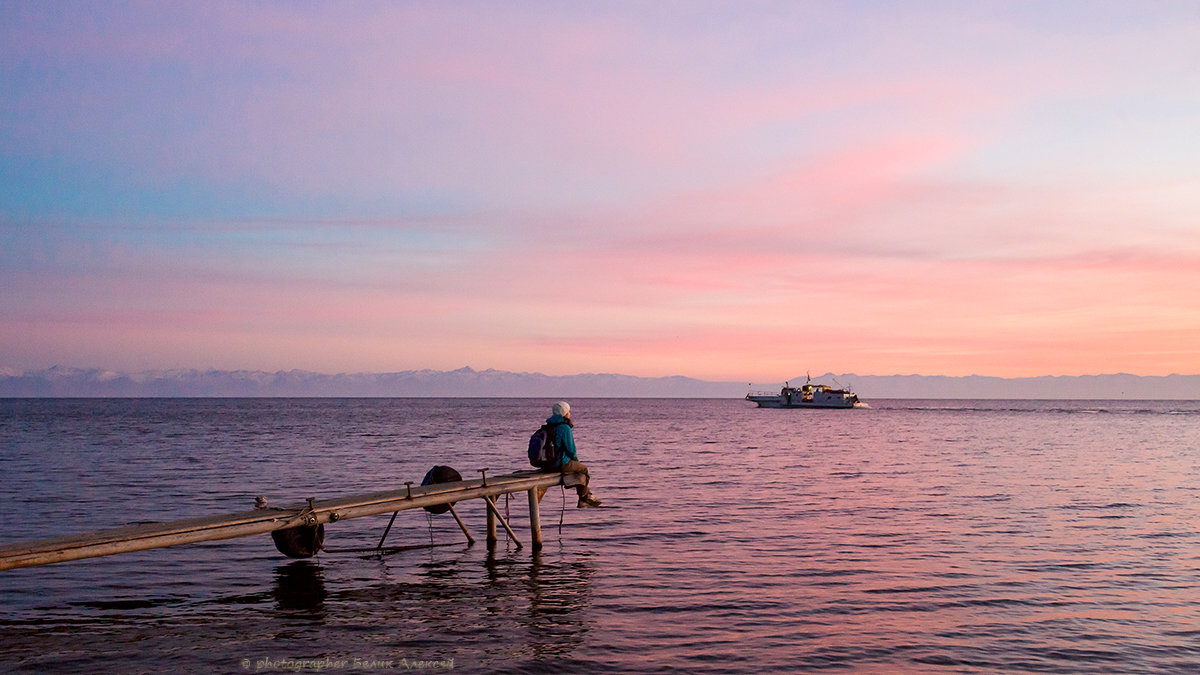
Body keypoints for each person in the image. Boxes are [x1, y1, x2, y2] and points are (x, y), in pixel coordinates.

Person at [539, 401, 602, 508]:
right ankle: (583, 499)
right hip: (560, 464)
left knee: (579, 469)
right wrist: (576, 461)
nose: (569, 413)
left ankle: (585, 497)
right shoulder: (565, 428)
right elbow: (571, 450)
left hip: (547, 465)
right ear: (564, 412)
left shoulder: (548, 426)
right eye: (568, 411)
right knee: (583, 469)